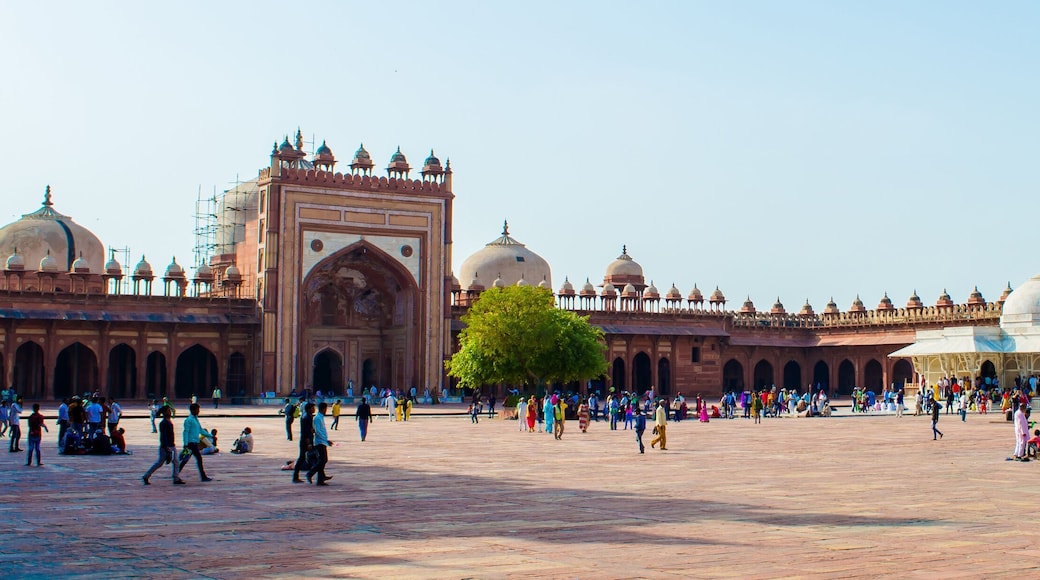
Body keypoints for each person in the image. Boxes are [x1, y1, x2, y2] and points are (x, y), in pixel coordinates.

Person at [143, 406, 184, 485]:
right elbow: (164, 436)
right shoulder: (164, 423)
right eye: (168, 411)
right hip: (167, 446)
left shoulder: (167, 422)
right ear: (164, 412)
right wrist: (166, 447)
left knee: (173, 462)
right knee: (161, 463)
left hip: (170, 445)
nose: (170, 412)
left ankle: (175, 477)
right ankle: (146, 475)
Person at [179, 403, 213, 481]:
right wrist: (185, 444)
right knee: (193, 459)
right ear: (192, 410)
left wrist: (210, 435)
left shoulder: (195, 419)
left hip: (194, 443)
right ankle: (203, 477)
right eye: (197, 409)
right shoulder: (189, 420)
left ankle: (176, 473)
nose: (198, 411)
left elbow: (201, 430)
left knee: (187, 460)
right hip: (191, 444)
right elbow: (186, 432)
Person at [307, 402, 331, 485]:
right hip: (319, 442)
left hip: (322, 441)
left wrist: (326, 440)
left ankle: (321, 479)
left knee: (323, 460)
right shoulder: (317, 418)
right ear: (323, 409)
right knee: (322, 460)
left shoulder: (320, 417)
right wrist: (325, 440)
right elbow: (317, 431)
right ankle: (310, 474)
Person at [292, 403, 315, 483]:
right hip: (305, 441)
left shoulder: (308, 417)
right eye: (312, 408)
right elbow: (306, 432)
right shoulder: (306, 418)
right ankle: (296, 476)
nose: (314, 409)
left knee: (313, 457)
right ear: (308, 409)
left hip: (307, 440)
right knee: (301, 458)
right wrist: (308, 443)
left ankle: (318, 475)